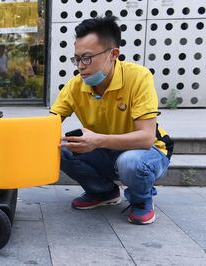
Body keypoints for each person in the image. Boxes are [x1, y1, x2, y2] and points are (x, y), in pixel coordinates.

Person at [50, 16, 173, 225]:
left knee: (130, 162)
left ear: (113, 54)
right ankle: (103, 192)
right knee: (60, 149)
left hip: (147, 152)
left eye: (87, 58)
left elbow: (146, 138)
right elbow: (48, 124)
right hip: (104, 151)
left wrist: (97, 141)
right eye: (77, 59)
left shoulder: (138, 77)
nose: (80, 66)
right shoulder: (74, 86)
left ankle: (141, 200)